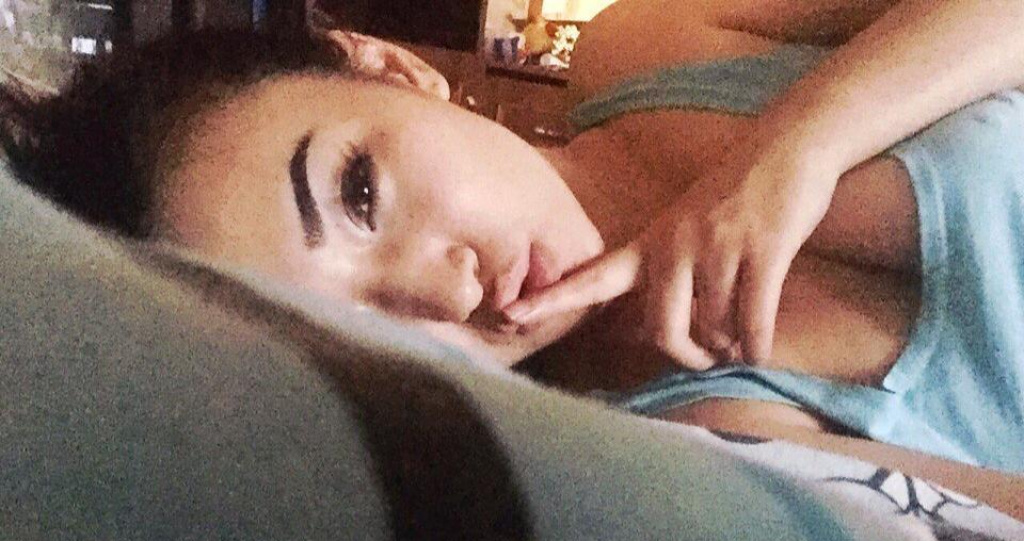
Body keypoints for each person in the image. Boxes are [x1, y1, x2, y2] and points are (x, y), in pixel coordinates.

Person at [2, 0, 1023, 515]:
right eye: (365, 333)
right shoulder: (697, 444)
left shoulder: (648, 45)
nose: (439, 293)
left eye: (359, 194)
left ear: (390, 69)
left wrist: (794, 146)